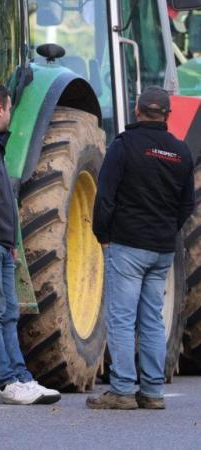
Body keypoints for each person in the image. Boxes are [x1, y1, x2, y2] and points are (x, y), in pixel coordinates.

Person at [88, 86, 195, 410]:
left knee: (121, 318)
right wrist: (166, 230)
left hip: (127, 245)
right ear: (167, 115)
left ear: (137, 111)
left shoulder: (123, 146)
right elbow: (187, 205)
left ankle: (121, 389)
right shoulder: (180, 152)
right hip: (161, 249)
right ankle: (152, 391)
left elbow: (105, 196)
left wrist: (102, 234)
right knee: (151, 319)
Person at [0, 83, 61, 405]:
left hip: (2, 243)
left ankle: (21, 376)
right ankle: (6, 381)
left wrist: (9, 241)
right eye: (9, 108)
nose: (10, 114)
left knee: (9, 312)